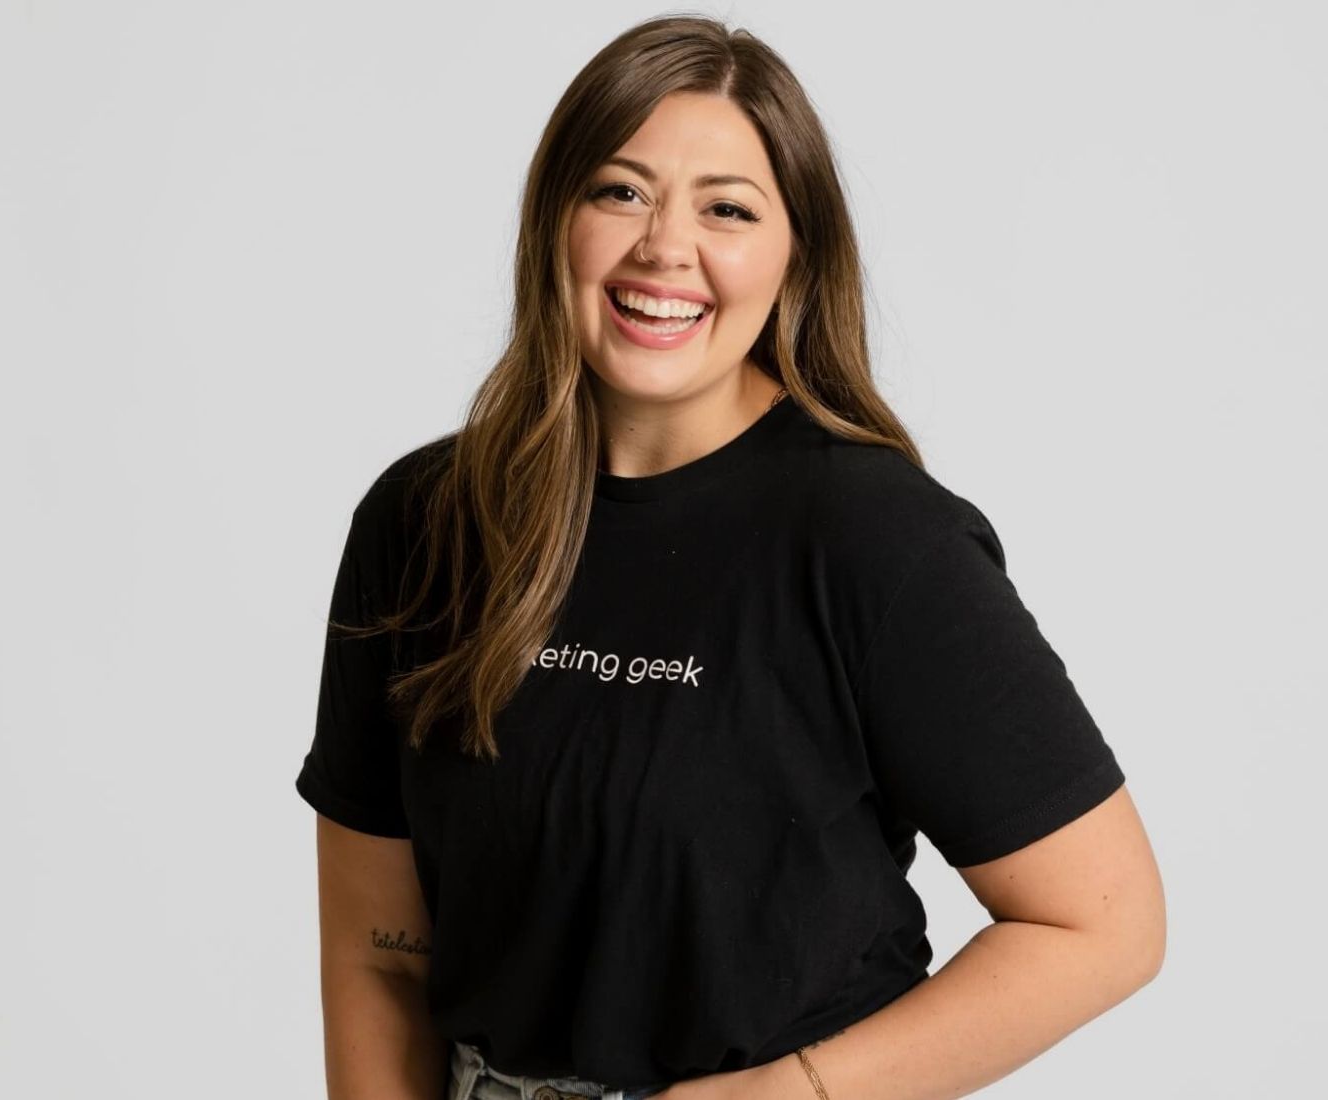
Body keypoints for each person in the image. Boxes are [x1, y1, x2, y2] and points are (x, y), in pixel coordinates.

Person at [295, 14, 1166, 1100]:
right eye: (619, 191)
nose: (665, 247)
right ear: (552, 219)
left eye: (727, 209)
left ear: (793, 249)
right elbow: (381, 955)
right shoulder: (426, 521)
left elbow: (1103, 920)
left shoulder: (876, 540)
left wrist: (781, 1094)